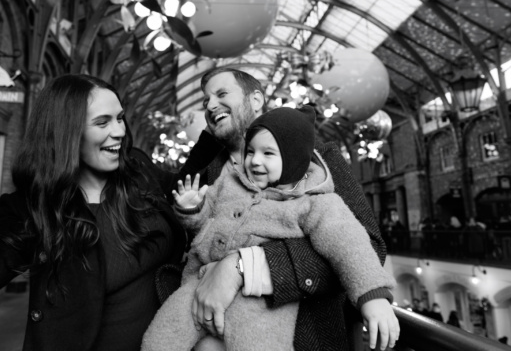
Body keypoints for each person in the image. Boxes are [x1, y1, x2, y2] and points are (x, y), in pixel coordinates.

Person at [0, 45, 222, 350]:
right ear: (67, 132)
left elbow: (186, 182)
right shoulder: (37, 206)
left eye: (120, 118)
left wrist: (218, 128)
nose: (119, 131)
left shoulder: (137, 171)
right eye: (102, 122)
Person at [142, 106, 398, 351]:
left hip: (259, 306)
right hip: (198, 287)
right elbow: (204, 220)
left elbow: (349, 244)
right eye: (250, 151)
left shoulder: (316, 203)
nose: (254, 160)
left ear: (293, 157)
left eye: (268, 153)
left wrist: (372, 296)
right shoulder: (230, 180)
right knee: (159, 339)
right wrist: (192, 210)